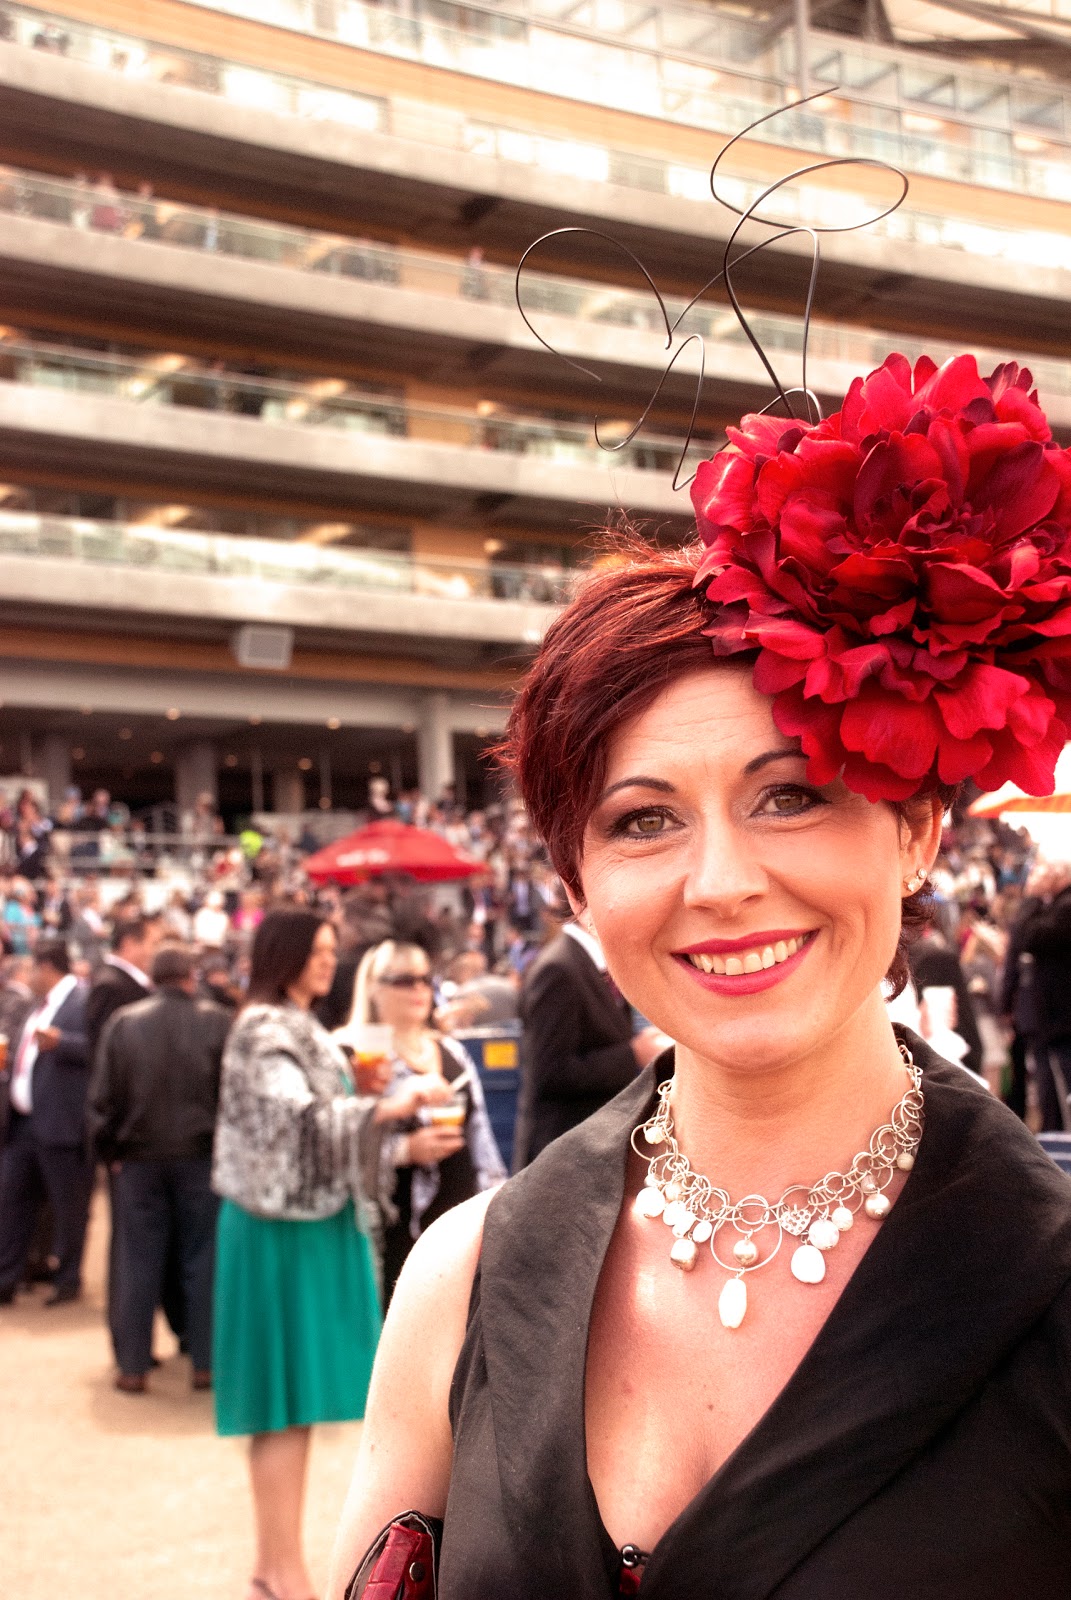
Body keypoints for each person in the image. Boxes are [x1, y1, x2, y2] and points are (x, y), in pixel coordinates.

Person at [329, 353, 1071, 1598]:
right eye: (641, 819)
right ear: (574, 881)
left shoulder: (1047, 1282)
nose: (719, 880)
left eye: (790, 795)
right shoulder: (460, 1276)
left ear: (918, 831)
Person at [212, 907, 451, 1600]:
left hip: (299, 1223)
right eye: (316, 951)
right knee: (283, 1402)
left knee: (294, 1403)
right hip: (283, 1228)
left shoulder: (290, 1025)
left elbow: (312, 1111)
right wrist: (384, 1110)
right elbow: (296, 1117)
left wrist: (366, 1097)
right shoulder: (265, 1026)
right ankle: (279, 1570)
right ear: (283, 954)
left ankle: (277, 1566)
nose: (326, 961)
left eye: (328, 950)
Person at [87, 944, 230, 1393]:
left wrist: (108, 1152)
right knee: (204, 1259)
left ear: (152, 978)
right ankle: (206, 1363)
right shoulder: (216, 1022)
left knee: (136, 1262)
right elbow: (231, 1099)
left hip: (138, 1161)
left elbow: (102, 1099)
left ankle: (133, 1367)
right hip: (200, 1159)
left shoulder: (124, 1024)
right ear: (191, 977)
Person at [340, 939, 505, 1303]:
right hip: (389, 1232)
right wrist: (404, 1150)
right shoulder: (353, 1055)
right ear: (373, 988)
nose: (419, 989)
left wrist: (498, 1210)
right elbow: (337, 1145)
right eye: (404, 980)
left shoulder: (451, 1050)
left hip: (456, 1224)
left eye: (425, 979)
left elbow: (483, 1142)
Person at [514, 914, 664, 1169]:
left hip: (591, 1147)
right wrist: (632, 1054)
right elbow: (549, 1072)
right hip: (562, 1155)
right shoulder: (559, 968)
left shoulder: (590, 963)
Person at [0, 939, 90, 1305]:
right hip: (23, 1123)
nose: (28, 976)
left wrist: (64, 1043)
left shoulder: (80, 1001)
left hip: (60, 1124)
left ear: (48, 967)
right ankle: (6, 1278)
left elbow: (98, 1047)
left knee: (67, 1207)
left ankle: (67, 1279)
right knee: (10, 1201)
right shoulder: (40, 1006)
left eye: (33, 969)